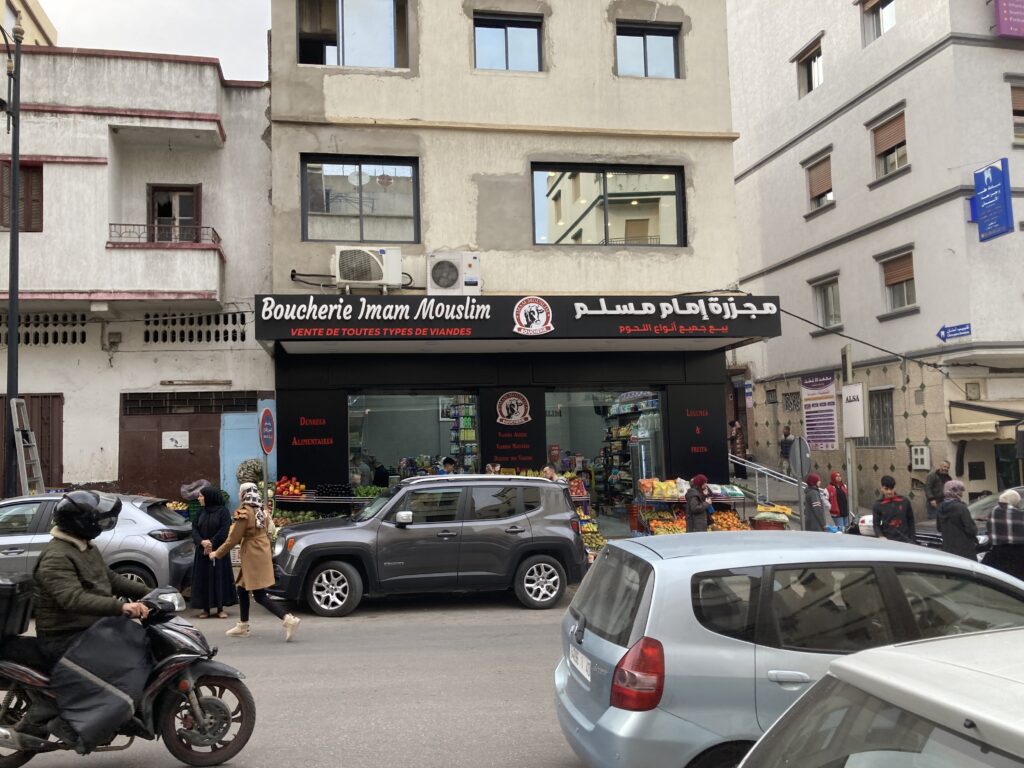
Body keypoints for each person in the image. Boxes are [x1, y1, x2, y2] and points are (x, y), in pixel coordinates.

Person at [12, 491, 151, 740]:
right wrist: (121, 607)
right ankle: (70, 722)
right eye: (97, 519)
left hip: (86, 629)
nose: (101, 524)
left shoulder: (84, 547)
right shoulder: (56, 556)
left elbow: (110, 578)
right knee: (120, 661)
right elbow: (72, 599)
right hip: (63, 636)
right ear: (81, 523)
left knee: (138, 644)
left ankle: (122, 712)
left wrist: (151, 593)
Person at [210, 483, 300, 641]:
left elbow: (233, 539)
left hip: (252, 554)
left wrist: (217, 553)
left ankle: (288, 619)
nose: (238, 494)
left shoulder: (245, 512)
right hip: (260, 552)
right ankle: (243, 625)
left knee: (259, 595)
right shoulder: (262, 509)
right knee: (242, 588)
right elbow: (271, 530)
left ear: (244, 493)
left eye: (240, 491)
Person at [189, 486, 237, 619]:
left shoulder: (223, 512)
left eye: (201, 496)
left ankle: (220, 608)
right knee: (203, 579)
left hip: (219, 552)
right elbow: (194, 529)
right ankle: (205, 609)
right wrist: (202, 542)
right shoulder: (200, 512)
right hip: (202, 552)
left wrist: (211, 543)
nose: (199, 498)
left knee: (219, 578)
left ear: (209, 497)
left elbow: (224, 530)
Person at [982, 490, 1024, 579]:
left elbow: (990, 530)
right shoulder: (1019, 514)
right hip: (1018, 553)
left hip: (998, 552)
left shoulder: (993, 512)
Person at [935, 480, 977, 560]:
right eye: (961, 489)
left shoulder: (940, 507)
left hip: (948, 548)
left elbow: (939, 528)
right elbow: (971, 529)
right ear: (955, 491)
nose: (962, 492)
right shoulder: (961, 507)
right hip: (965, 549)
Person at [872, 475, 916, 544]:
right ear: (881, 489)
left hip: (905, 540)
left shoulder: (904, 501)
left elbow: (911, 521)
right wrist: (881, 536)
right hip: (888, 541)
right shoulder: (877, 505)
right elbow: (876, 525)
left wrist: (913, 540)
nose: (889, 492)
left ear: (895, 488)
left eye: (891, 489)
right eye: (886, 489)